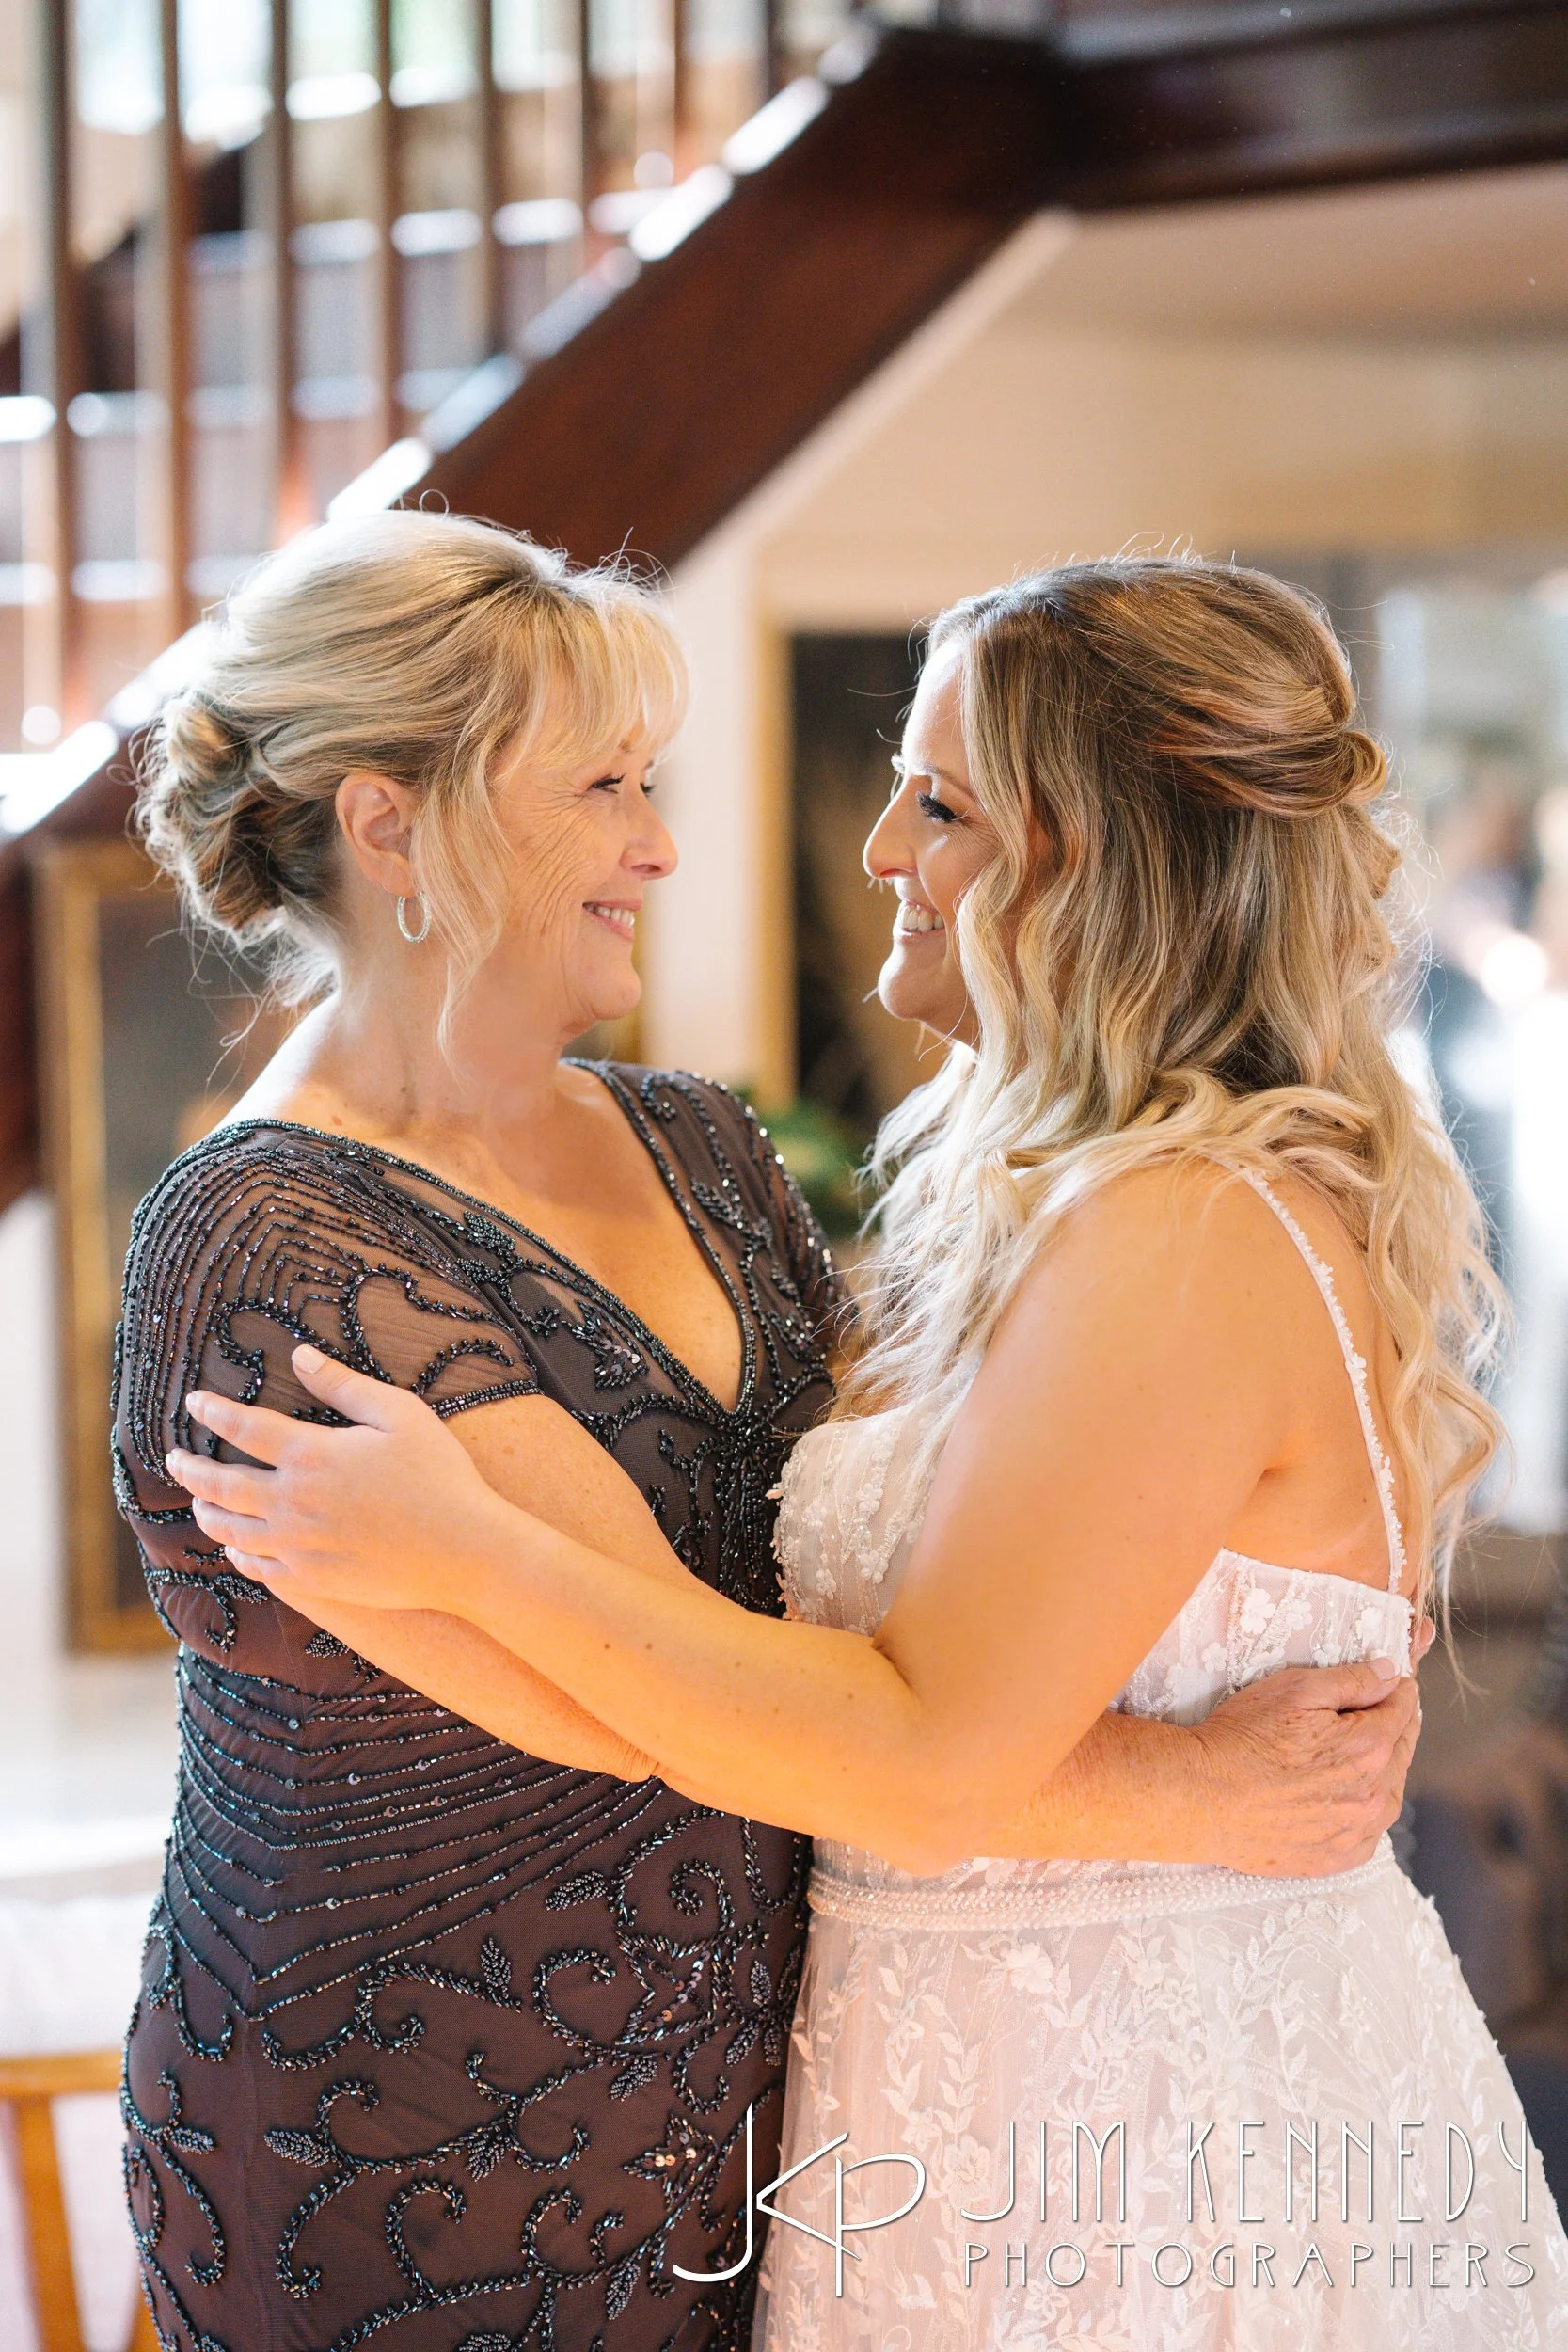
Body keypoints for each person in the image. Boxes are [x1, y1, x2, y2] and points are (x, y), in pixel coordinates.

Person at [133, 524, 1421, 2352]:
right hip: (423, 2130)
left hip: (778, 2119)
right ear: (392, 828)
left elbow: (873, 1580)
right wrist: (1183, 1785)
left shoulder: (701, 1147)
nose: (660, 842)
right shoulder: (271, 1238)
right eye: (602, 786)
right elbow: (623, 1700)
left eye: (649, 782)